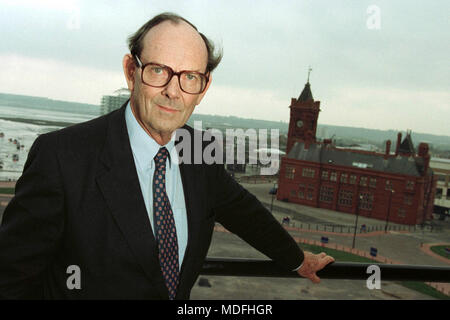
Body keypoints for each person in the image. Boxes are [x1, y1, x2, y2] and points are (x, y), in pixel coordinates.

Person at [0, 12, 334, 300]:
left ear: (203, 89)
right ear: (131, 70)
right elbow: (12, 280)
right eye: (159, 70)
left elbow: (246, 213)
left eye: (190, 77)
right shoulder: (61, 158)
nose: (173, 91)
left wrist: (299, 261)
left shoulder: (201, 153)